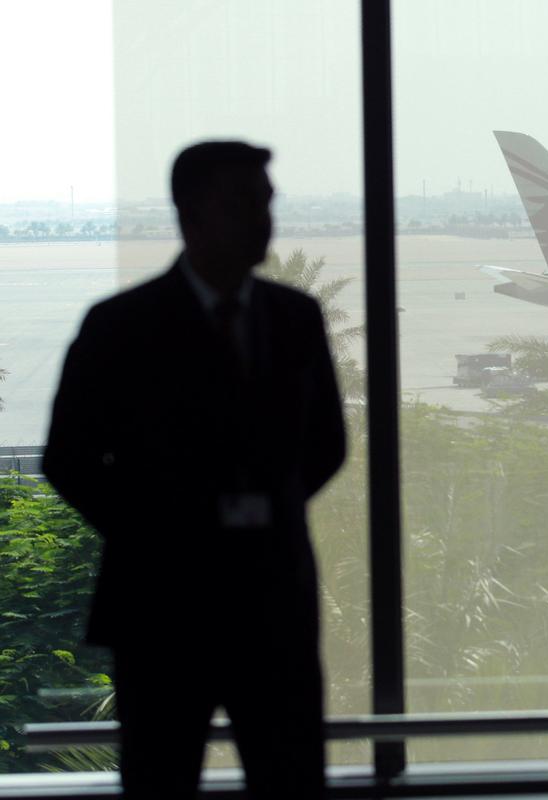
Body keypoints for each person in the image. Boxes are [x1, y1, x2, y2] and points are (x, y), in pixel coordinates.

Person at [43, 141, 345, 799]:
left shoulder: (297, 319)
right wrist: (163, 529)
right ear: (193, 214)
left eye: (268, 204)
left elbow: (328, 444)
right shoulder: (120, 327)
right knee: (160, 780)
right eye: (247, 204)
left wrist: (259, 513)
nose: (266, 220)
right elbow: (66, 459)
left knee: (292, 780)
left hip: (273, 605)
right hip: (162, 607)